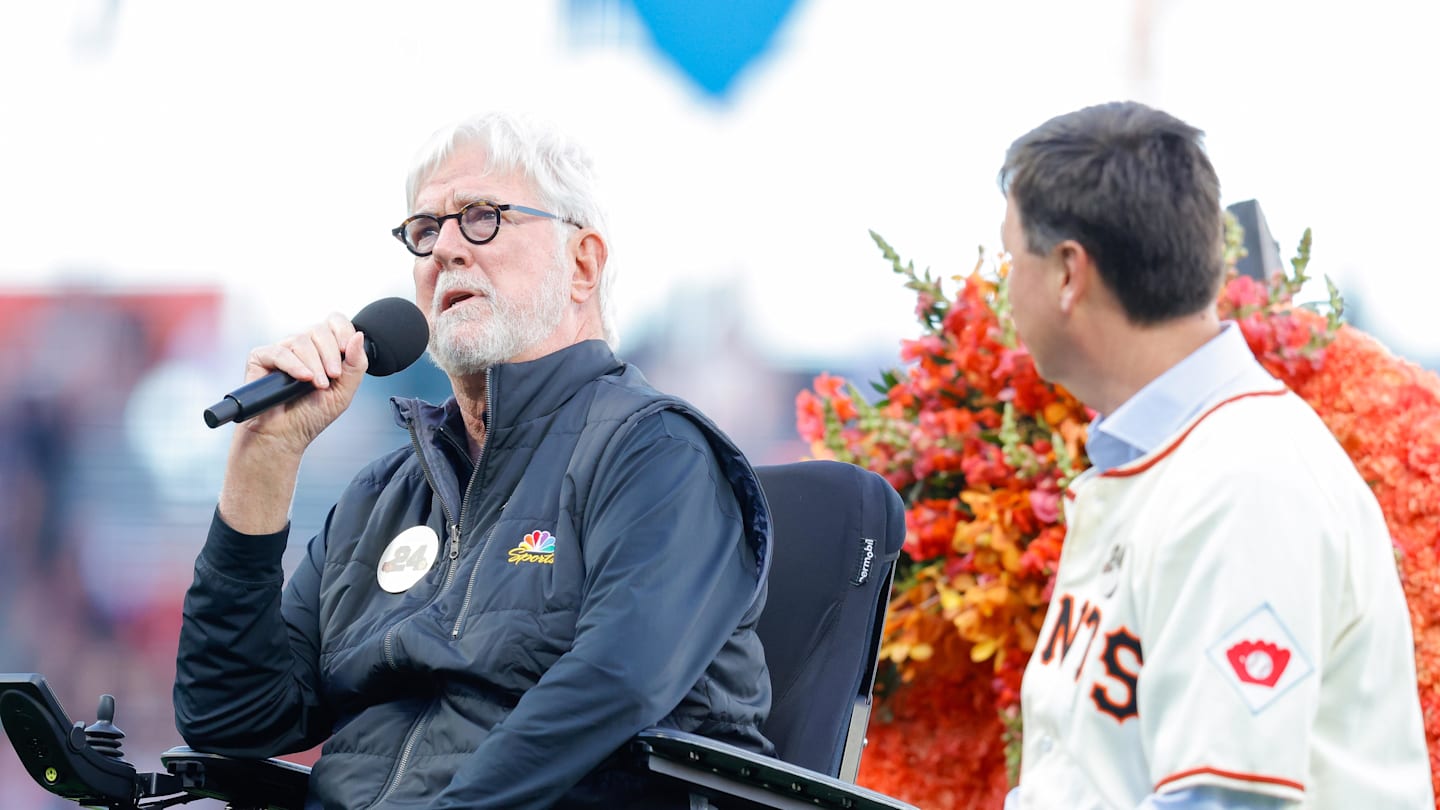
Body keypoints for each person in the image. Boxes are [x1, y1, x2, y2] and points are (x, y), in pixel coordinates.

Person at [173, 112, 774, 809]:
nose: (445, 250)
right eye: (425, 231)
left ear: (582, 264)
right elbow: (232, 718)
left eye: (482, 217)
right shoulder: (384, 497)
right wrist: (264, 462)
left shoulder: (656, 453)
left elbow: (616, 684)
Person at [998, 101, 1432, 809]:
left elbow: (1226, 802)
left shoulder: (1246, 478)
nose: (1007, 286)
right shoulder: (1178, 457)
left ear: (1069, 273)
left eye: (1013, 257)